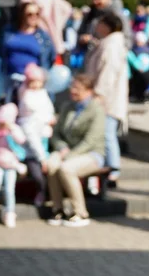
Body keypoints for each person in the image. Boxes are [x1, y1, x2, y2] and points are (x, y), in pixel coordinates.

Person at [43, 72, 105, 227]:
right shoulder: (67, 107)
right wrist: (62, 147)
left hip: (91, 154)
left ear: (89, 91)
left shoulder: (96, 110)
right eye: (72, 87)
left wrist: (69, 155)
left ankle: (80, 213)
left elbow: (91, 140)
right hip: (66, 150)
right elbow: (56, 133)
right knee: (51, 165)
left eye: (78, 88)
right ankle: (58, 209)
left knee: (66, 169)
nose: (73, 91)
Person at [86, 8, 127, 185]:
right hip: (107, 96)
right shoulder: (109, 43)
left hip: (107, 99)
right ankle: (110, 167)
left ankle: (113, 169)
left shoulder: (111, 45)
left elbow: (108, 73)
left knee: (107, 133)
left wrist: (99, 94)